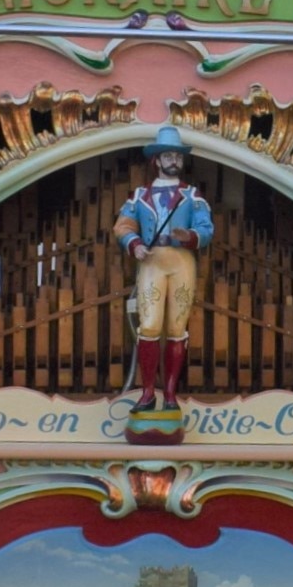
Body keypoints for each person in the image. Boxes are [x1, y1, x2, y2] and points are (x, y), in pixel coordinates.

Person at [114, 126, 214, 411]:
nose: (173, 161)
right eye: (167, 156)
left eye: (177, 157)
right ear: (156, 161)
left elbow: (206, 228)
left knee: (176, 327)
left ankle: (170, 393)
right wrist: (134, 244)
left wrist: (191, 236)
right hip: (152, 261)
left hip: (181, 261)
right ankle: (147, 392)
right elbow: (122, 225)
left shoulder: (193, 195)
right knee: (149, 325)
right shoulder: (138, 196)